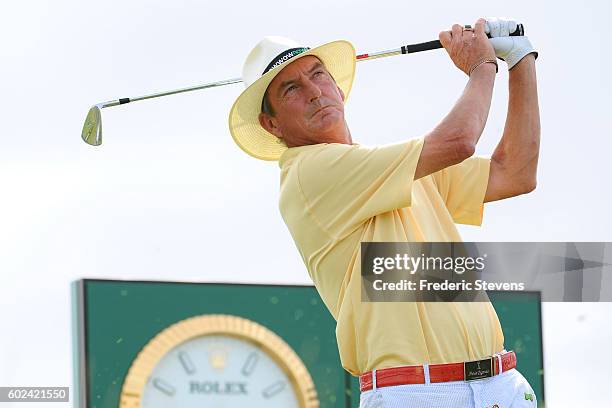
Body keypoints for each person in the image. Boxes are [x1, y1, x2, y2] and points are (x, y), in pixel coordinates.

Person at [228, 17, 540, 408]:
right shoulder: (307, 174)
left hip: (501, 383)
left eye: (318, 75)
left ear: (338, 88)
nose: (314, 92)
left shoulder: (395, 168)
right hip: (415, 393)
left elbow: (515, 174)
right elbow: (459, 141)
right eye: (292, 88)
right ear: (270, 124)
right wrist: (482, 66)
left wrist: (522, 60)